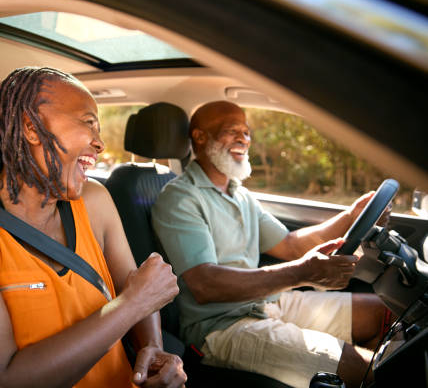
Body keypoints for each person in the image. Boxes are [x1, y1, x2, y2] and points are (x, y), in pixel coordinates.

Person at [0, 67, 187, 388]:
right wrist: (133, 304)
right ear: (31, 127)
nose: (100, 143)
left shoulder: (95, 200)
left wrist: (152, 349)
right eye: (87, 122)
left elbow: (133, 285)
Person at [151, 100, 390, 388]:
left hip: (268, 303)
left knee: (381, 313)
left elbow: (289, 245)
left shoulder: (240, 194)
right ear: (200, 137)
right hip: (222, 327)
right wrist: (301, 273)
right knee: (363, 367)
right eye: (232, 131)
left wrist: (351, 216)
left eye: (247, 132)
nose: (244, 139)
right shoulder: (181, 198)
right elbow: (206, 284)